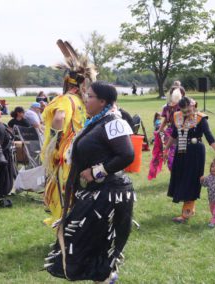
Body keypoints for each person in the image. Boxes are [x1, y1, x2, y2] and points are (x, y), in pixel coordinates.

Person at [45, 82, 135, 283]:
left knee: (95, 243)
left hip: (109, 194)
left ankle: (106, 278)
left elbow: (127, 154)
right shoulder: (96, 122)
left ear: (103, 101)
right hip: (96, 193)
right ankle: (105, 278)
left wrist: (97, 172)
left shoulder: (113, 122)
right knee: (88, 242)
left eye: (91, 96)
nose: (86, 99)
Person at [42, 39, 97, 226]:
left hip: (66, 152)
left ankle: (65, 227)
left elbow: (59, 118)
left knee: (64, 191)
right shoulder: (83, 101)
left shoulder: (67, 99)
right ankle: (75, 227)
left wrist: (54, 142)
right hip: (82, 148)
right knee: (75, 191)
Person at [164, 96, 215, 223]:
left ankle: (186, 214)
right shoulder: (177, 116)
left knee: (191, 180)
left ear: (193, 106)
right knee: (181, 178)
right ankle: (190, 209)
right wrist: (166, 149)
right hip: (181, 151)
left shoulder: (201, 119)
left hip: (195, 152)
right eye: (183, 111)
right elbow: (174, 135)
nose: (186, 114)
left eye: (188, 111)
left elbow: (209, 136)